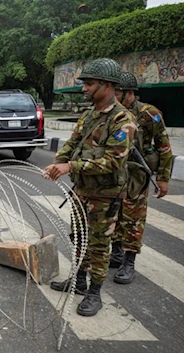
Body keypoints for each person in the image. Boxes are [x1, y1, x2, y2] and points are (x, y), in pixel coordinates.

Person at [42, 58, 137, 317]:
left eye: (90, 84)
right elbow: (72, 144)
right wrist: (58, 163)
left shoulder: (122, 120)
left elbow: (113, 161)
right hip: (82, 191)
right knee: (79, 238)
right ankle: (79, 280)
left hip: (105, 195)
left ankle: (94, 293)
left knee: (98, 244)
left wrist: (70, 167)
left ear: (107, 86)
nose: (84, 89)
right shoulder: (89, 116)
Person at [110, 71, 173, 284]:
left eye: (117, 91)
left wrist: (163, 178)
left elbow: (164, 148)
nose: (113, 95)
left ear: (129, 93)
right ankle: (116, 253)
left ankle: (129, 260)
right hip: (114, 172)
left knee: (133, 217)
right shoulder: (112, 112)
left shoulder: (149, 114)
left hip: (136, 173)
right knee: (114, 213)